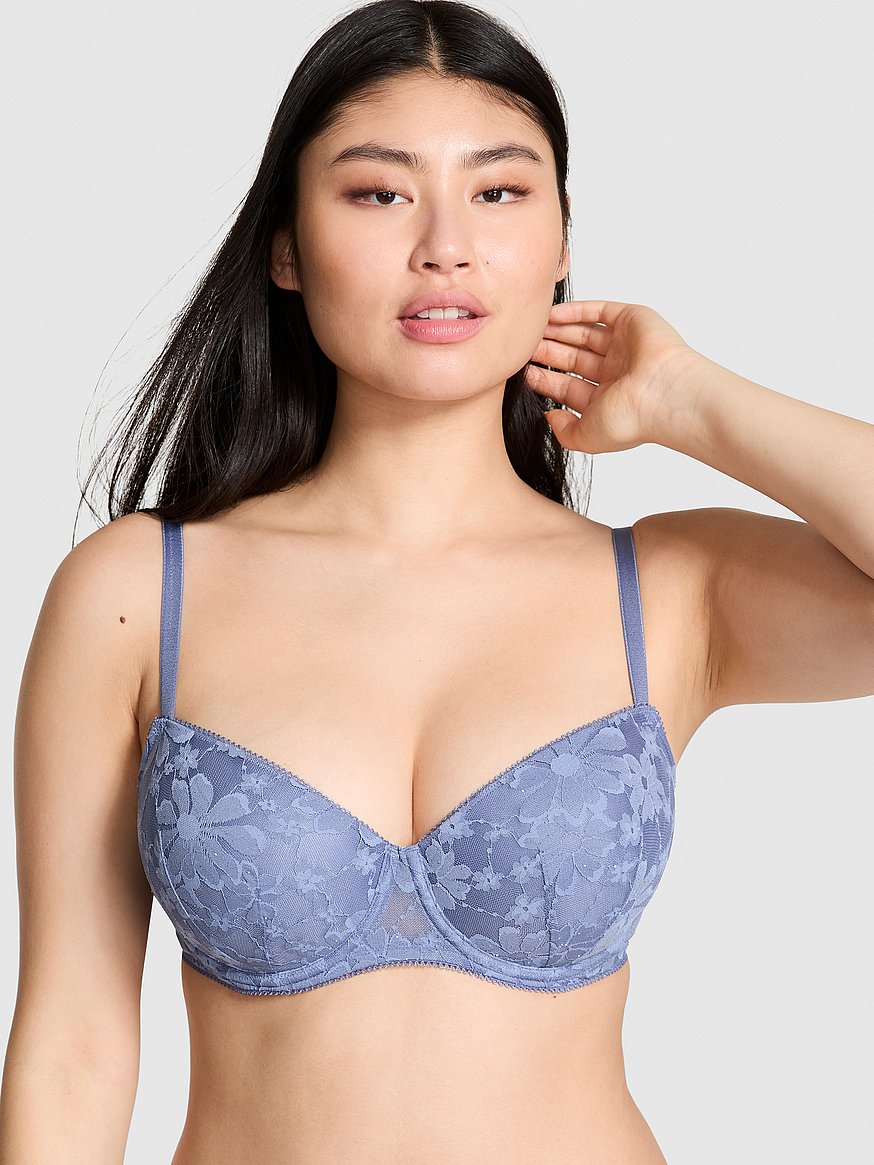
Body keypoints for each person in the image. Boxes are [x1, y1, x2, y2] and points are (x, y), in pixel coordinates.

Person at [2, 0, 873, 1161]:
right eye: (378, 193)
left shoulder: (671, 590)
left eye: (499, 191)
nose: (445, 245)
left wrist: (691, 400)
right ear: (285, 247)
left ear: (561, 241)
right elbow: (72, 1047)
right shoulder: (137, 591)